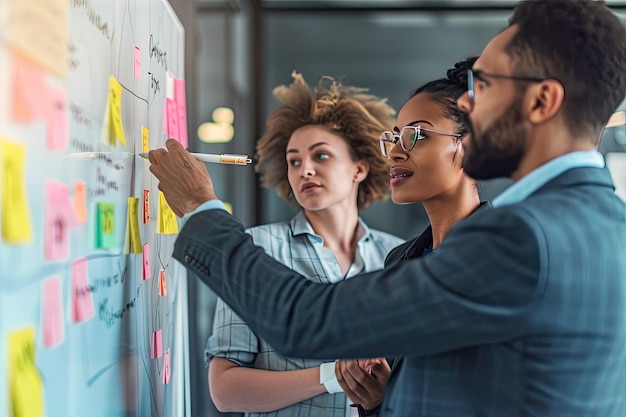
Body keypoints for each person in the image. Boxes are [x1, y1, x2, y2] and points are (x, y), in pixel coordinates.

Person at [149, 1, 626, 415]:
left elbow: (306, 319)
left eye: (484, 86)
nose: (466, 101)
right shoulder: (603, 223)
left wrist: (199, 206)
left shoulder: (523, 235)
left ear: (543, 100)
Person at [205, 73, 404, 417]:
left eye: (320, 156)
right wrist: (332, 375)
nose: (304, 170)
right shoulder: (256, 249)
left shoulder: (399, 257)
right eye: (294, 161)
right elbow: (225, 390)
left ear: (360, 168)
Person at [335, 56, 488, 415]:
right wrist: (374, 399)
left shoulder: (502, 260)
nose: (395, 152)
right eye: (393, 137)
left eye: (415, 135)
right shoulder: (399, 261)